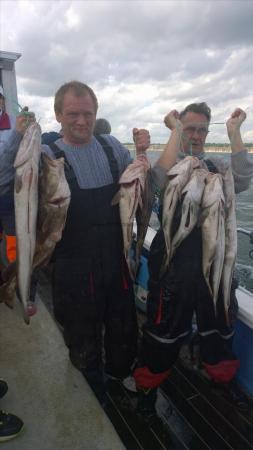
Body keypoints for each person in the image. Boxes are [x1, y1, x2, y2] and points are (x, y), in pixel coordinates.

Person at [0, 81, 177, 405]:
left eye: (88, 114)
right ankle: (92, 389)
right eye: (73, 114)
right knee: (82, 335)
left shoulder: (112, 146)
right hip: (71, 263)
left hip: (117, 259)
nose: (81, 121)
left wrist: (141, 155)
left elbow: (144, 187)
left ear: (96, 114)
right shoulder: (43, 154)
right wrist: (15, 139)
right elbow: (4, 188)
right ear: (57, 114)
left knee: (124, 329)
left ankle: (118, 375)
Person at [133, 103, 253, 422]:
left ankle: (221, 378)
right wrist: (174, 132)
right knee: (163, 330)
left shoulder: (215, 165)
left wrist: (235, 133)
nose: (197, 136)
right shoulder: (172, 165)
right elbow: (156, 180)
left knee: (220, 325)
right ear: (179, 130)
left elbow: (241, 180)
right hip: (174, 266)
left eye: (203, 130)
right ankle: (147, 389)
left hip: (215, 261)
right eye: (190, 129)